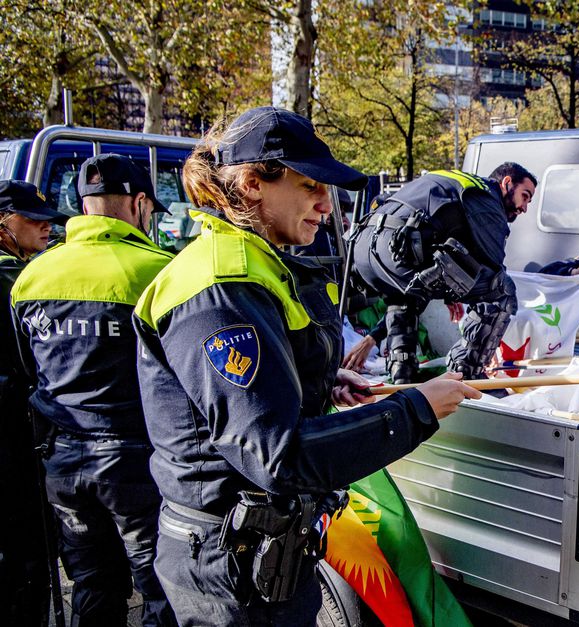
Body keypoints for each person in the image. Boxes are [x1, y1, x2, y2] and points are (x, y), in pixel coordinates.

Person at [131, 106, 480, 625]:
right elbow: (276, 456)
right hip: (228, 564)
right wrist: (415, 409)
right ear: (252, 184)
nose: (326, 203)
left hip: (260, 550)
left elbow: (250, 400)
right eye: (311, 185)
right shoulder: (222, 288)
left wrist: (314, 381)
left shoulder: (254, 265)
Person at [11, 156, 178, 626]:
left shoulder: (32, 276)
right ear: (141, 204)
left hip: (63, 464)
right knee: (160, 589)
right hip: (138, 465)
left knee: (92, 587)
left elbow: (29, 367)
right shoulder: (162, 272)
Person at [349, 163, 536, 383]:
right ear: (506, 183)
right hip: (399, 248)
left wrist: (451, 292)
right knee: (502, 289)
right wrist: (488, 344)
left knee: (404, 300)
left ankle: (402, 376)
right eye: (525, 196)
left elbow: (424, 282)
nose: (524, 208)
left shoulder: (452, 181)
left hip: (365, 251)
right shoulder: (486, 198)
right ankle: (466, 375)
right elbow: (493, 274)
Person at [0, 180, 67, 625]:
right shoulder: (16, 280)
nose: (46, 228)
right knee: (26, 556)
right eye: (33, 220)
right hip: (12, 435)